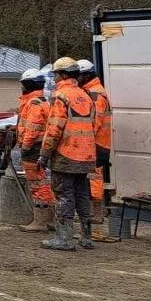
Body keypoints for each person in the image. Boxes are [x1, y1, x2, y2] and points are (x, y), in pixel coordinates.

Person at [39, 56, 98, 251]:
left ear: (62, 74)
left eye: (56, 74)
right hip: (86, 154)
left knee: (64, 195)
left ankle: (64, 238)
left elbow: (54, 128)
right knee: (82, 194)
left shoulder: (61, 96)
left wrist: (45, 154)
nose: (54, 78)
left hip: (66, 153)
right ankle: (86, 237)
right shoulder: (85, 96)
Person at [15, 68, 54, 232]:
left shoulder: (34, 104)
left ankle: (41, 221)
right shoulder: (39, 101)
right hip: (38, 147)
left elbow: (33, 129)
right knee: (42, 182)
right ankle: (49, 219)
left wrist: (25, 147)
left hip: (33, 149)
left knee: (38, 184)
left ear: (28, 84)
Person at [77, 57, 112, 192]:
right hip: (99, 143)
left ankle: (96, 209)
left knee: (93, 179)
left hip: (96, 144)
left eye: (78, 75)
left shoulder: (94, 95)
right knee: (93, 178)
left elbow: (93, 123)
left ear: (86, 75)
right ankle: (95, 207)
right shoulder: (94, 91)